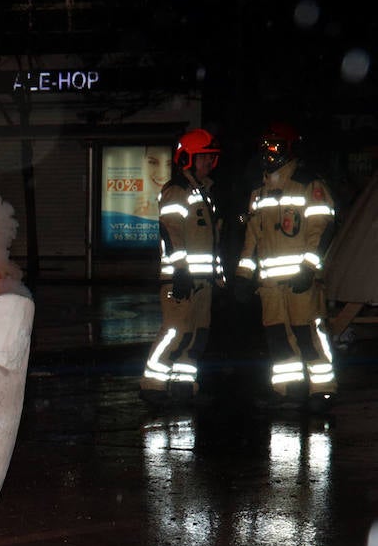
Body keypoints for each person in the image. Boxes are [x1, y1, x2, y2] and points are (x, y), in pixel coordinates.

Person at [234, 122, 338, 409]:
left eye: (276, 147)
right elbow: (252, 236)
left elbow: (323, 229)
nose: (269, 153)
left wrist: (309, 267)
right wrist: (243, 275)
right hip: (270, 286)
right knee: (278, 339)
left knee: (309, 336)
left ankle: (322, 391)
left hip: (301, 281)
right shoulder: (259, 192)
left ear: (290, 148)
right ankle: (288, 392)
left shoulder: (309, 184)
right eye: (265, 147)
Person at [140, 128, 223, 403]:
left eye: (211, 157)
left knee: (197, 336)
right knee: (176, 332)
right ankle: (153, 386)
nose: (208, 163)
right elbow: (170, 232)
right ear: (187, 158)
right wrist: (181, 270)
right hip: (181, 279)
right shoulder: (178, 191)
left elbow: (212, 241)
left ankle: (182, 386)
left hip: (203, 281)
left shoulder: (204, 193)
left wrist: (218, 277)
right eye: (203, 158)